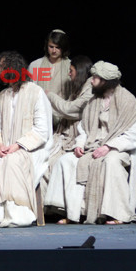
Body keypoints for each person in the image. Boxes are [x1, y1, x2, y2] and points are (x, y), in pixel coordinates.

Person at [44, 61, 136, 225]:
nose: (91, 81)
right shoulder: (93, 101)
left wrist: (108, 147)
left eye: (95, 78)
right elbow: (84, 128)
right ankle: (74, 212)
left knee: (111, 162)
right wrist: (80, 144)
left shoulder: (128, 101)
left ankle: (116, 214)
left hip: (117, 148)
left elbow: (133, 134)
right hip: (92, 146)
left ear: (105, 81)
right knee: (66, 160)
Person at [0, 51, 54, 227]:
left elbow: (42, 129)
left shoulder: (35, 92)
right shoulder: (3, 96)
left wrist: (18, 145)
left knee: (11, 163)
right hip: (6, 148)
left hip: (31, 149)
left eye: (1, 67)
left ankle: (14, 215)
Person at [40, 55, 93, 201]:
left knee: (52, 163)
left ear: (79, 71)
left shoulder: (89, 91)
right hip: (63, 136)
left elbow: (69, 110)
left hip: (76, 139)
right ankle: (43, 205)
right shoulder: (77, 90)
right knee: (41, 160)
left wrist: (50, 95)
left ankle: (53, 204)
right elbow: (62, 112)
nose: (69, 74)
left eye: (71, 71)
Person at [28, 29, 71, 124]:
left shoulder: (70, 66)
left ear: (63, 48)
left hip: (63, 115)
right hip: (40, 114)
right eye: (51, 47)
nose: (54, 51)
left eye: (58, 47)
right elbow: (30, 92)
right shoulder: (35, 65)